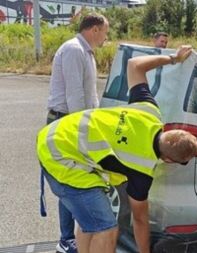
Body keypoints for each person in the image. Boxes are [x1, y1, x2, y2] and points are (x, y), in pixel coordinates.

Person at [37, 45, 197, 253]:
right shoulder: (142, 170)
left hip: (56, 132)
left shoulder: (148, 111)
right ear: (168, 160)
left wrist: (173, 58)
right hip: (60, 158)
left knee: (91, 222)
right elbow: (140, 219)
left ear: (170, 129)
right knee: (106, 229)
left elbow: (134, 65)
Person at [43, 13, 109, 253]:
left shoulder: (86, 52)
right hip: (66, 122)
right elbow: (74, 97)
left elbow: (90, 93)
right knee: (68, 180)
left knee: (74, 179)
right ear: (94, 29)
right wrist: (80, 134)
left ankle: (72, 235)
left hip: (75, 122)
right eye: (105, 31)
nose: (106, 37)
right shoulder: (74, 50)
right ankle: (66, 238)